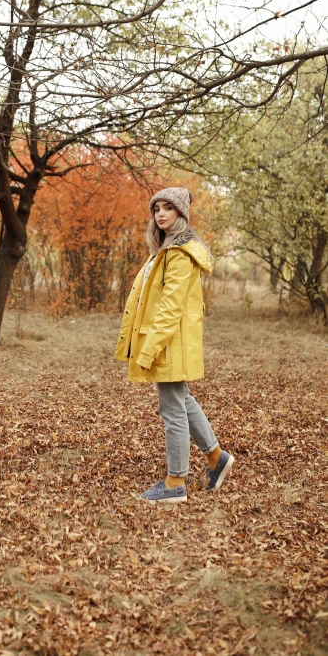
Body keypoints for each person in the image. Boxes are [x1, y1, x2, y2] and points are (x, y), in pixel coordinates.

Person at [114, 187, 234, 504]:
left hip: (169, 342)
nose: (161, 214)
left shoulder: (179, 254)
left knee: (172, 410)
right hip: (170, 340)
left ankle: (175, 481)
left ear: (181, 213)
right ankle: (216, 457)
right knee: (182, 400)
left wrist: (148, 348)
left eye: (169, 208)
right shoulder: (165, 250)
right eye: (157, 209)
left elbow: (169, 308)